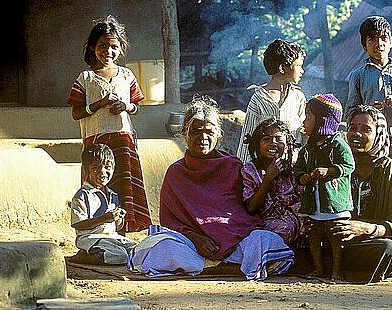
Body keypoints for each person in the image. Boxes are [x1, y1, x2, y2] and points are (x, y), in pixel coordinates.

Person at [128, 96, 294, 280]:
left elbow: (244, 213)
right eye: (196, 132)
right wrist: (196, 238)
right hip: (193, 245)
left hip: (235, 241)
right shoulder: (176, 172)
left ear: (218, 135)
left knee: (265, 240)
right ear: (185, 134)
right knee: (163, 247)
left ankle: (215, 267)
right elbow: (171, 222)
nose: (203, 138)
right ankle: (231, 267)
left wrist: (223, 233)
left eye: (209, 132)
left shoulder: (233, 165)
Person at [67, 15, 151, 233]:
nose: (108, 51)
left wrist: (126, 106)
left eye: (113, 46)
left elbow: (137, 107)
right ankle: (96, 230)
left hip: (123, 140)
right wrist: (100, 104)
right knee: (98, 181)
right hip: (97, 140)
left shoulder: (126, 75)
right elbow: (76, 113)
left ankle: (120, 231)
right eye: (102, 46)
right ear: (93, 47)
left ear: (120, 48)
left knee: (123, 187)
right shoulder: (85, 78)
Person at [329, 105, 392, 283]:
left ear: (378, 135)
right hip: (346, 245)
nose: (356, 134)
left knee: (390, 250)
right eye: (353, 128)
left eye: (366, 130)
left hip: (380, 242)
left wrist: (365, 228)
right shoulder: (342, 168)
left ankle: (350, 271)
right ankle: (342, 269)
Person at [294, 94, 355, 280]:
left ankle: (336, 271)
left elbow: (349, 165)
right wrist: (301, 177)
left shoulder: (338, 145)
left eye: (308, 117)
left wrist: (329, 171)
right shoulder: (306, 149)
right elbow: (298, 169)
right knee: (314, 235)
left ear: (322, 121)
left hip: (333, 202)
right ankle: (318, 269)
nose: (304, 121)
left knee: (335, 236)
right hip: (315, 203)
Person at [345, 16, 392, 159]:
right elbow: (349, 113)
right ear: (364, 46)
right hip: (371, 141)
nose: (379, 43)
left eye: (383, 38)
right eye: (372, 39)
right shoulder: (357, 75)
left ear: (391, 41)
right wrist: (368, 110)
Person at [236, 39, 306, 163]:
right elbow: (247, 136)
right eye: (299, 66)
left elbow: (302, 134)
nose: (302, 71)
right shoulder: (259, 98)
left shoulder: (298, 98)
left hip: (293, 167)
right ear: (282, 68)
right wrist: (243, 169)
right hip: (264, 168)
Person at [69, 144, 138, 265]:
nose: (103, 172)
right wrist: (106, 218)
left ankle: (97, 254)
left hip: (112, 238)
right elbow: (78, 224)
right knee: (121, 256)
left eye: (107, 167)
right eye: (95, 168)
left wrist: (119, 218)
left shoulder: (113, 195)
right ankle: (85, 256)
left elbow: (118, 228)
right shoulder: (82, 195)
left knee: (138, 250)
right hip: (91, 238)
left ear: (113, 168)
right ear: (86, 170)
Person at [241, 117, 304, 245]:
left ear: (287, 145)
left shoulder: (294, 168)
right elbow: (251, 208)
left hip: (295, 218)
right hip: (266, 222)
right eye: (266, 139)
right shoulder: (250, 170)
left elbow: (301, 199)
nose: (273, 143)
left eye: (279, 139)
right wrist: (268, 178)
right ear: (257, 145)